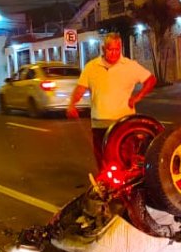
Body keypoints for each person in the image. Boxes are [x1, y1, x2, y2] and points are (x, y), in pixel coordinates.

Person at [66, 33, 156, 167]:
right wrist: (72, 104)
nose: (114, 53)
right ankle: (106, 185)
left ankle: (126, 185)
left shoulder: (130, 65)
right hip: (100, 123)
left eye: (117, 49)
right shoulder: (91, 67)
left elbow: (151, 80)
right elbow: (80, 89)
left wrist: (138, 97)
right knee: (102, 159)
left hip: (124, 123)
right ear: (103, 49)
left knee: (125, 158)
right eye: (110, 49)